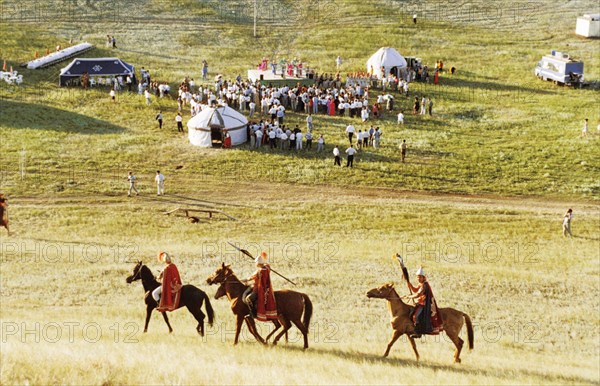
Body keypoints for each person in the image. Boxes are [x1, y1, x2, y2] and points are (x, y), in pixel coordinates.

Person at [402, 267, 443, 338]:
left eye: (420, 277)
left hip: (424, 304)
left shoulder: (424, 285)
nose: (418, 278)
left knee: (416, 316)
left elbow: (418, 294)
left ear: (423, 277)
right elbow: (415, 290)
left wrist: (409, 297)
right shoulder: (420, 284)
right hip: (420, 303)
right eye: (418, 277)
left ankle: (418, 333)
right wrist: (411, 286)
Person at [242, 252, 277, 321]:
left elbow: (253, 277)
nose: (255, 264)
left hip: (259, 288)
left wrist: (246, 280)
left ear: (258, 263)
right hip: (261, 286)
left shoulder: (261, 271)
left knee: (248, 299)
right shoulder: (267, 267)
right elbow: (266, 265)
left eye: (256, 263)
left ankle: (253, 314)